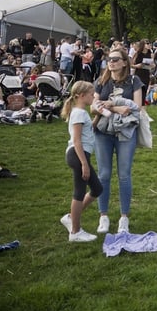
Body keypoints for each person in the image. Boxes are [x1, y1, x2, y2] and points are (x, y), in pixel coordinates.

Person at [93, 47, 142, 235]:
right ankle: (103, 216)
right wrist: (115, 109)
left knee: (124, 175)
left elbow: (137, 107)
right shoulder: (101, 80)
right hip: (103, 131)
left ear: (124, 62)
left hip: (126, 132)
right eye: (109, 59)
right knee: (103, 174)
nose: (111, 62)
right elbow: (93, 107)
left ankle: (124, 218)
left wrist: (113, 104)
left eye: (115, 59)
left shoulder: (134, 81)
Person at [60, 81, 102, 242]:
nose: (94, 97)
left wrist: (98, 116)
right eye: (92, 94)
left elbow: (88, 129)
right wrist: (84, 163)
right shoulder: (78, 113)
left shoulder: (81, 112)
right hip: (78, 155)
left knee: (97, 188)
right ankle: (75, 232)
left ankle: (71, 217)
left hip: (81, 155)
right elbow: (77, 140)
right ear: (82, 96)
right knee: (79, 192)